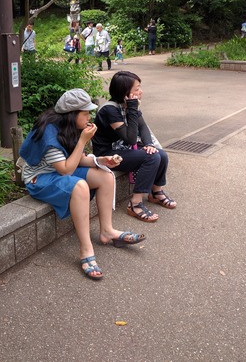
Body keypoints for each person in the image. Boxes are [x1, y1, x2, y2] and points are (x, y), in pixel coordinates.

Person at [19, 89, 146, 281]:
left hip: (59, 170)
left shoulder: (69, 126)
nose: (89, 116)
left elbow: (78, 159)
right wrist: (83, 140)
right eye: (85, 113)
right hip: (39, 178)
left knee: (106, 176)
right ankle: (86, 249)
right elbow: (66, 170)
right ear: (72, 114)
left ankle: (107, 231)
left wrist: (103, 160)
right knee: (79, 186)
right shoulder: (49, 133)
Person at [92, 71, 177, 223]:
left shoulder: (130, 106)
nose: (141, 92)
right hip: (108, 154)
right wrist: (132, 107)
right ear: (125, 92)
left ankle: (156, 193)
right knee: (151, 157)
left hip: (123, 149)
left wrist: (149, 144)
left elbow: (142, 127)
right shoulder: (109, 110)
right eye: (137, 89)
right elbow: (131, 138)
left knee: (160, 154)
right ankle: (135, 203)